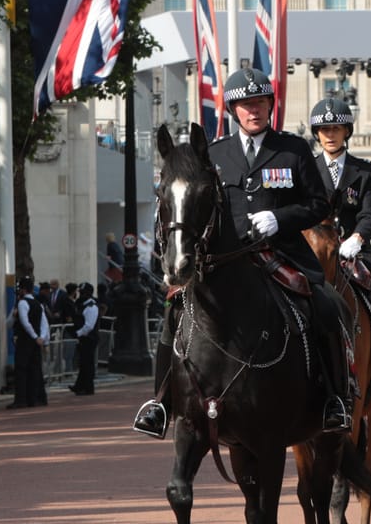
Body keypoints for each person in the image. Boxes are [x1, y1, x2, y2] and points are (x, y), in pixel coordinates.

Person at [135, 65, 350, 439]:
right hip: (225, 260)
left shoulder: (293, 149)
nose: (255, 110)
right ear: (233, 110)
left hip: (281, 253)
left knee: (327, 306)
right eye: (246, 104)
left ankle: (334, 399)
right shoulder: (214, 154)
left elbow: (318, 205)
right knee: (174, 311)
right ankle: (160, 402)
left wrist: (280, 218)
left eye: (261, 102)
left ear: (271, 105)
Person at [309, 96, 371, 409]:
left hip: (357, 250)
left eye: (336, 128)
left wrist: (357, 237)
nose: (330, 134)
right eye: (324, 128)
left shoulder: (363, 170)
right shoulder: (307, 169)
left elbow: (369, 212)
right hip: (315, 248)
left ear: (346, 131)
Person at [10, 276, 50, 410]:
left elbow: (24, 322)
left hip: (25, 341)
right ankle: (37, 398)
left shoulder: (22, 303)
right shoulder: (38, 304)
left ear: (22, 289)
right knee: (35, 369)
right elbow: (45, 323)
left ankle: (21, 399)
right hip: (36, 342)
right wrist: (41, 338)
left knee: (21, 369)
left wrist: (34, 336)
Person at [69, 284, 100, 396]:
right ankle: (80, 385)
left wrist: (78, 333)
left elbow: (89, 326)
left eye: (83, 293)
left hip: (89, 338)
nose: (80, 295)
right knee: (83, 363)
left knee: (87, 363)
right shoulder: (82, 305)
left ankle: (87, 387)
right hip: (84, 338)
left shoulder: (91, 307)